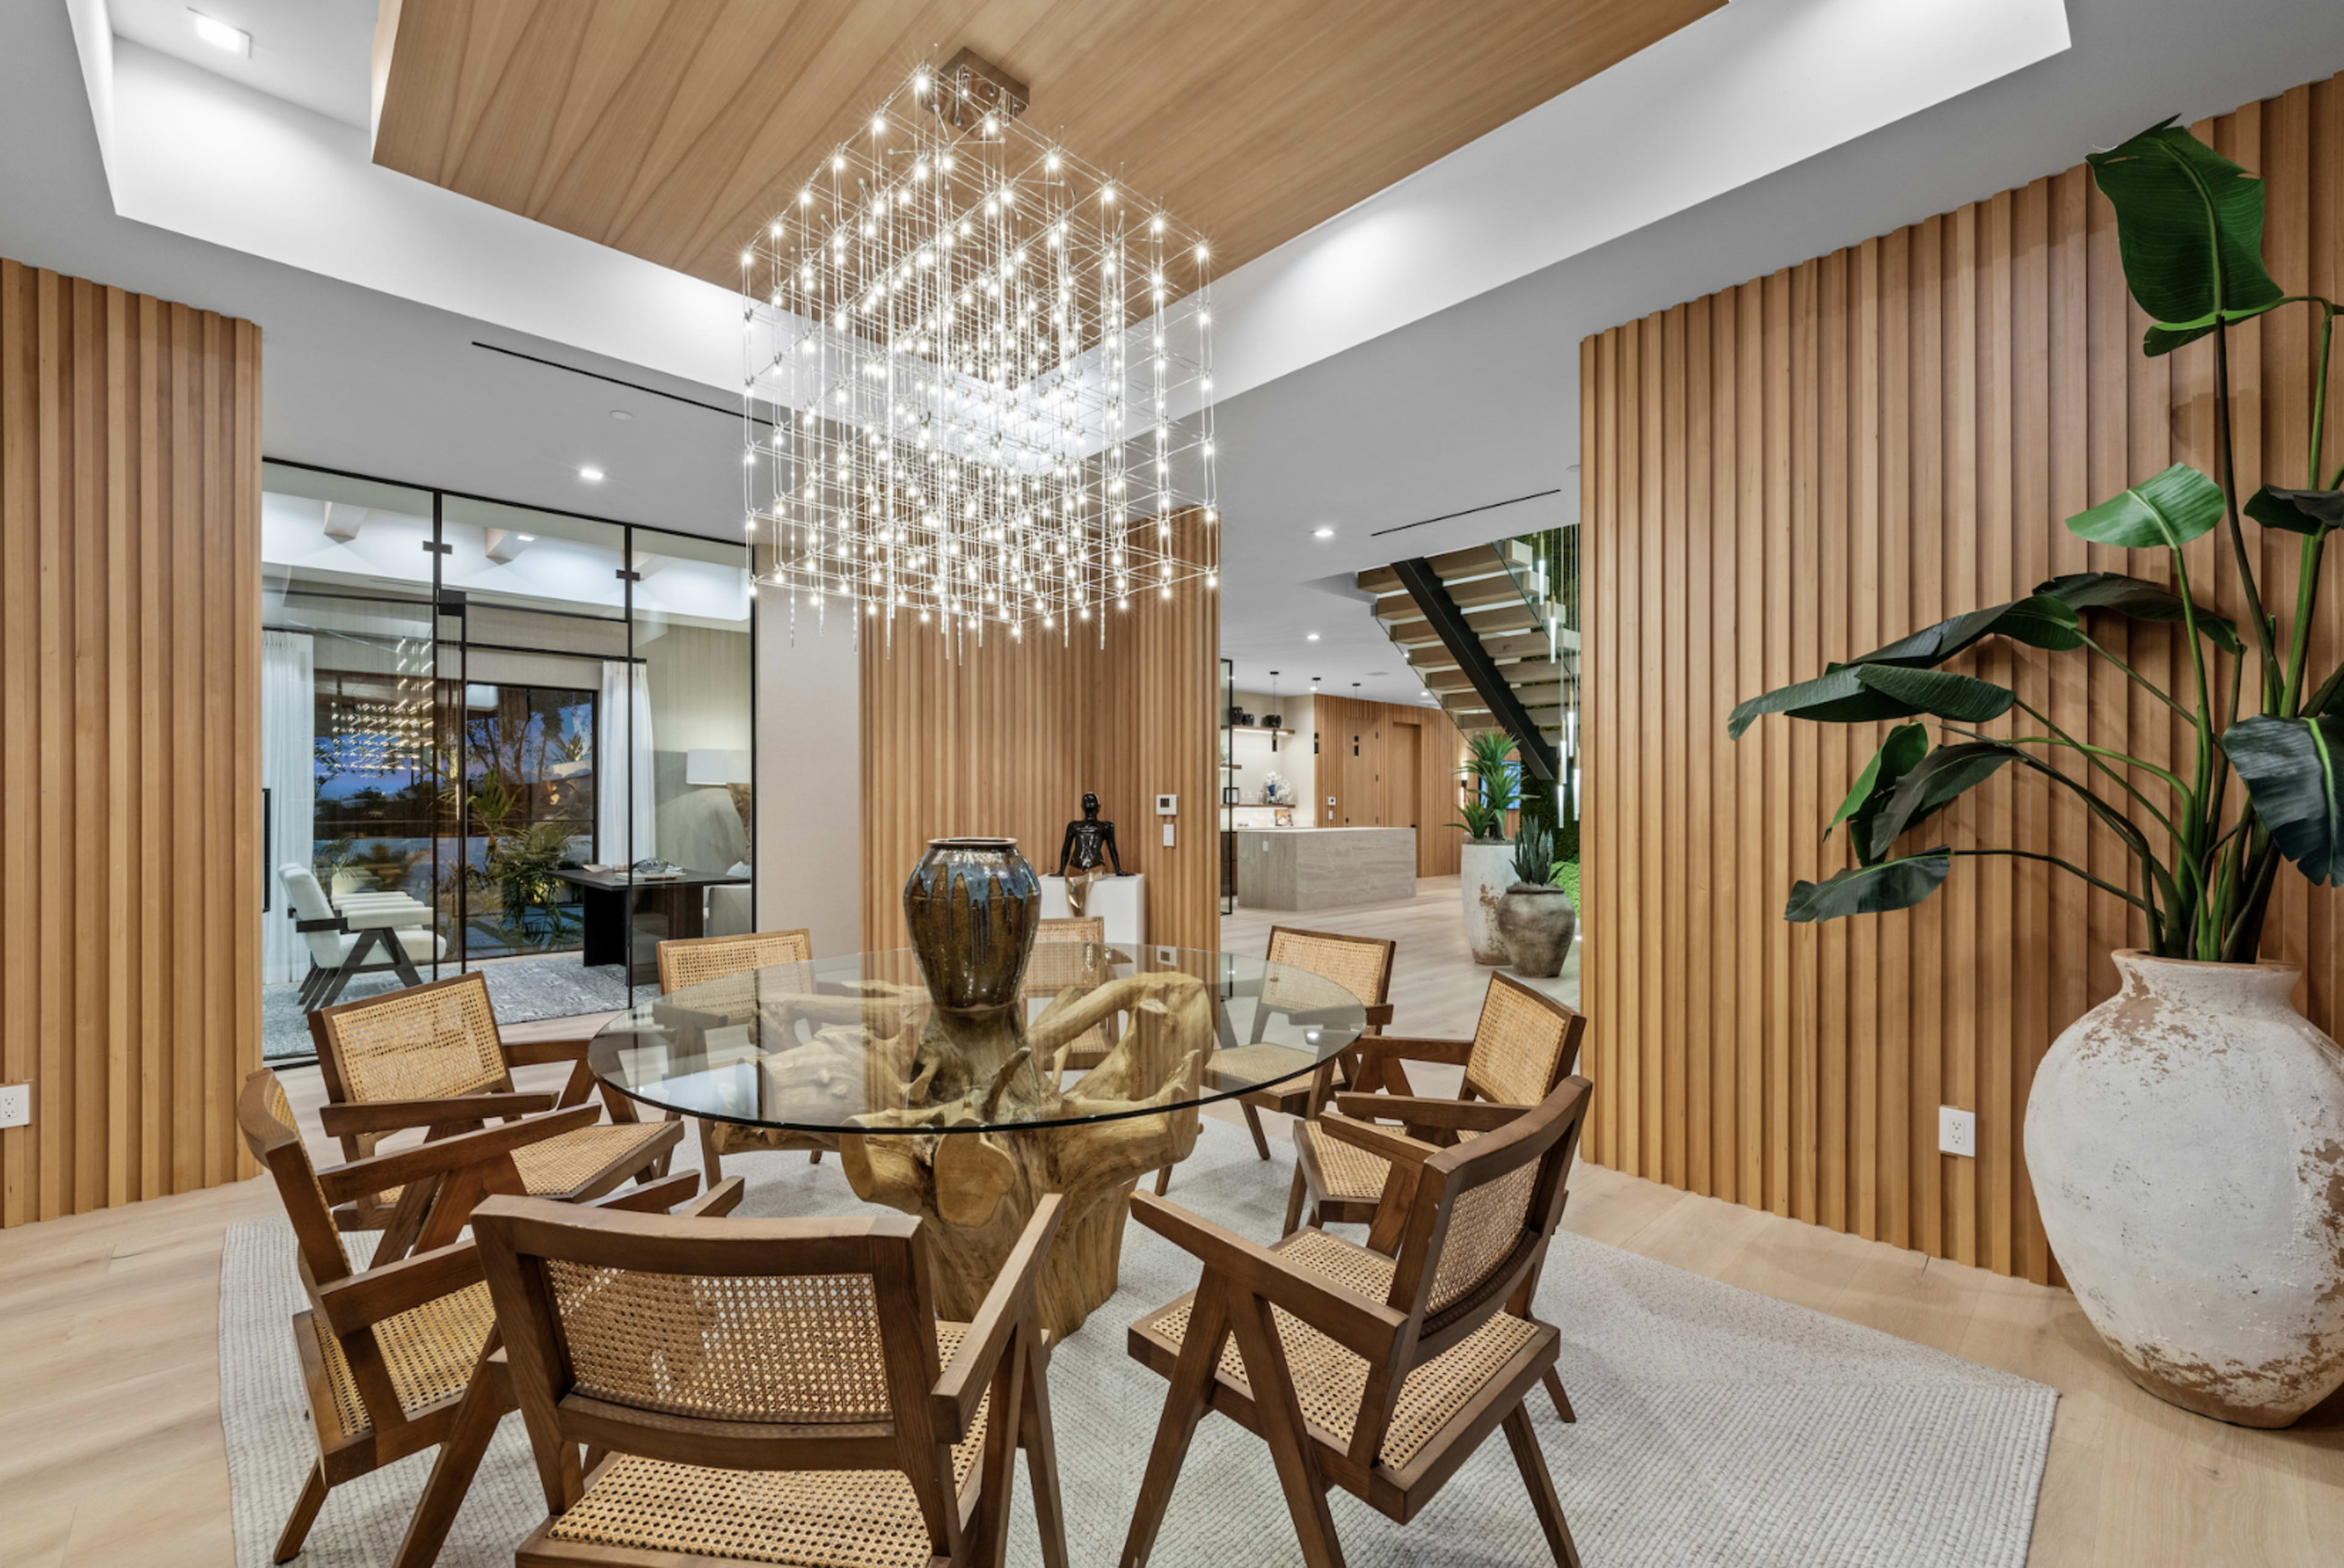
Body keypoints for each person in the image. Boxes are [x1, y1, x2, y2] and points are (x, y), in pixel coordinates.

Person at [1055, 792, 1124, 916]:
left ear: (1098, 807)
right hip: (1076, 866)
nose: (1090, 804)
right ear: (1082, 806)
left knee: (1082, 886)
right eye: (1087, 801)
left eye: (1092, 801)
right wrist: (1061, 870)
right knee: (1073, 888)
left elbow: (1112, 849)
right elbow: (1066, 849)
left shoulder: (1106, 826)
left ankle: (1081, 921)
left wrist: (1118, 870)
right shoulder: (1074, 826)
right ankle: (1080, 921)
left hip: (1095, 866)